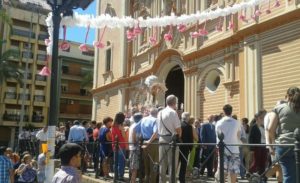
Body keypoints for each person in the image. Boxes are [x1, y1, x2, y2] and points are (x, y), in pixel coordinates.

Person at [268, 87, 300, 183]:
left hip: (284, 145)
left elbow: (270, 128)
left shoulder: (279, 108)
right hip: (298, 144)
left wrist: (273, 143)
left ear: (287, 96)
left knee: (288, 175)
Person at [157, 95, 182, 182]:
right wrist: (180, 136)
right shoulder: (173, 112)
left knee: (162, 166)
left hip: (161, 140)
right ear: (175, 103)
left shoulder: (160, 113)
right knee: (172, 165)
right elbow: (178, 129)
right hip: (171, 141)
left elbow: (158, 128)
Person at [215, 104, 241, 183]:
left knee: (223, 170)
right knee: (233, 170)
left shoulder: (219, 123)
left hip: (223, 149)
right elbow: (238, 136)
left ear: (223, 111)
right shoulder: (237, 122)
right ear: (231, 111)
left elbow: (218, 137)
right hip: (234, 149)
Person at [141, 107, 158, 183]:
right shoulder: (155, 120)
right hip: (153, 142)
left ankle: (146, 180)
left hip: (144, 141)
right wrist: (149, 141)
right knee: (154, 164)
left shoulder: (143, 119)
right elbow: (155, 133)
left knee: (146, 164)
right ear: (156, 113)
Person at [248, 110, 268, 176]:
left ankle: (262, 175)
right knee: (256, 162)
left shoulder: (263, 127)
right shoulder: (254, 127)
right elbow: (250, 138)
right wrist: (251, 149)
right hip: (257, 147)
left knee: (263, 162)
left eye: (263, 118)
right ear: (257, 118)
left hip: (264, 146)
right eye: (261, 118)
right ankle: (249, 173)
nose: (263, 119)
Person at [111, 112, 127, 181]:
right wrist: (123, 130)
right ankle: (120, 176)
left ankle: (116, 175)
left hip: (114, 144)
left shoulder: (113, 125)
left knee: (116, 161)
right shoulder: (121, 125)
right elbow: (124, 136)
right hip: (121, 145)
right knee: (121, 162)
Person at [179, 112, 193, 183]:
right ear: (187, 117)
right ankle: (182, 179)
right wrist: (191, 148)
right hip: (185, 147)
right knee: (183, 164)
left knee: (175, 163)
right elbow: (190, 138)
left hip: (177, 147)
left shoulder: (178, 124)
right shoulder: (189, 126)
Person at [128, 112, 143, 183]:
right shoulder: (136, 126)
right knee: (135, 166)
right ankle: (133, 180)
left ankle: (132, 179)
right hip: (135, 147)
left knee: (132, 165)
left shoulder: (132, 125)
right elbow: (135, 137)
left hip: (131, 147)